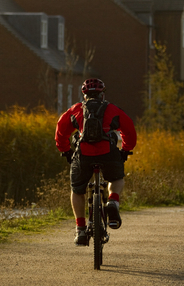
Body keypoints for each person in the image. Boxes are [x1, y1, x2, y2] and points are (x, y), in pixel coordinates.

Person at [55, 78, 137, 246]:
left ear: (84, 95)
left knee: (77, 190)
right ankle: (113, 201)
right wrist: (126, 150)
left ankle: (81, 230)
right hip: (108, 155)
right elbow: (129, 129)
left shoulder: (76, 110)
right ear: (102, 94)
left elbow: (61, 131)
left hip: (83, 156)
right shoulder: (112, 109)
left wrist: (66, 151)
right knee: (116, 178)